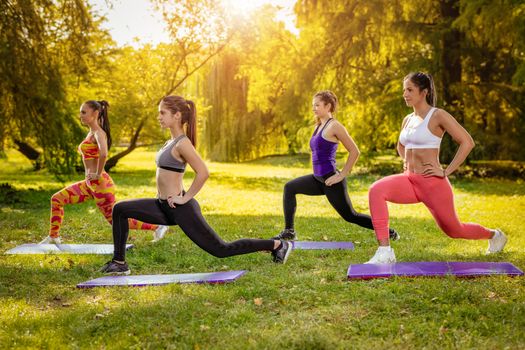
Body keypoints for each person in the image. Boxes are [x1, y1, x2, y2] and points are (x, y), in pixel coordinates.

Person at [100, 95, 292, 274]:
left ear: (177, 116)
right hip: (162, 205)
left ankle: (276, 245)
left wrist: (184, 197)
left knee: (221, 249)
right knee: (120, 209)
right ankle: (119, 262)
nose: (158, 117)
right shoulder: (171, 141)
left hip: (180, 208)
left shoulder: (183, 143)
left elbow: (203, 172)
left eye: (162, 113)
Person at [366, 72, 507, 264]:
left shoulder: (438, 115)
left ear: (423, 92)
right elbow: (401, 145)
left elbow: (467, 142)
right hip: (409, 180)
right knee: (376, 190)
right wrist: (405, 161)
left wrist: (446, 171)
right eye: (404, 90)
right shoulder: (408, 119)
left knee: (454, 230)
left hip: (432, 184)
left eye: (409, 90)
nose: (405, 94)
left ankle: (495, 235)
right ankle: (385, 251)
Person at [273, 91, 399, 242]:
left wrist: (342, 174)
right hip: (317, 179)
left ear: (328, 106)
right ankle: (289, 231)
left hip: (331, 180)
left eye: (317, 105)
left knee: (351, 216)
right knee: (289, 187)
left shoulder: (335, 126)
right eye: (313, 105)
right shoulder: (319, 125)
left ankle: (388, 231)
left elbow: (354, 151)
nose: (314, 108)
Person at [39, 100, 168, 244]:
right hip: (89, 184)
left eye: (83, 112)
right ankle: (53, 236)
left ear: (95, 114)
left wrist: (98, 173)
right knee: (57, 199)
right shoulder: (91, 133)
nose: (80, 115)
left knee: (115, 220)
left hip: (100, 185)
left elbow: (104, 154)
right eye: (80, 112)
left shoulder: (99, 133)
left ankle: (157, 227)